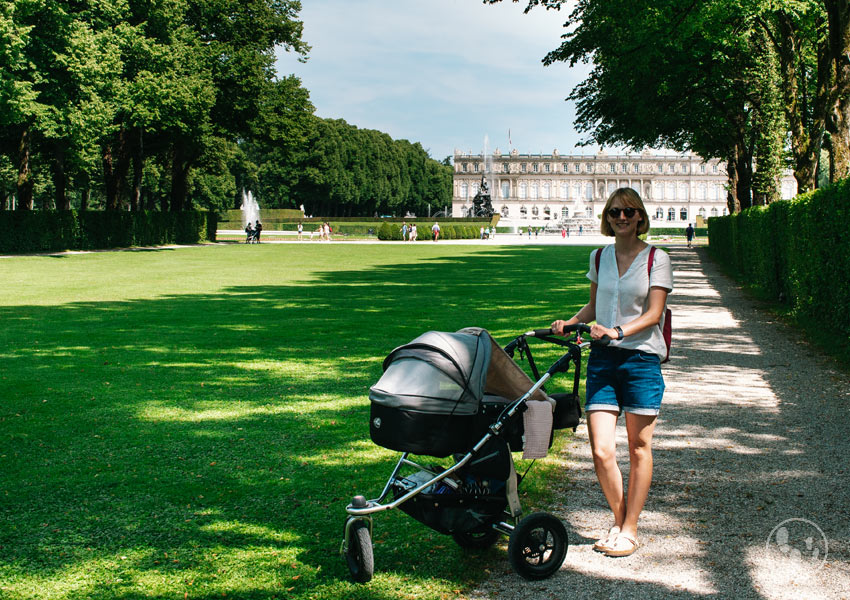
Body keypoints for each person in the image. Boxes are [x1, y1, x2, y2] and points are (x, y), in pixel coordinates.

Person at [551, 187, 673, 558]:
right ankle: (621, 521)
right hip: (603, 360)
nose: (621, 217)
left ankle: (629, 528)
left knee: (639, 447)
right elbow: (594, 304)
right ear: (607, 217)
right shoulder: (599, 256)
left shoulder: (657, 258)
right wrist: (570, 322)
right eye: (615, 212)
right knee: (602, 450)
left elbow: (654, 314)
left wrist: (618, 331)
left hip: (640, 360)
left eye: (629, 211)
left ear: (640, 217)